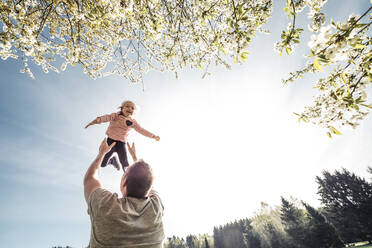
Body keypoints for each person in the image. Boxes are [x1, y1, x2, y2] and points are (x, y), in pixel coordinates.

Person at [84, 138, 165, 248]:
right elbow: (147, 182)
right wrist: (136, 161)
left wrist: (102, 153)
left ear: (124, 183)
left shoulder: (106, 206)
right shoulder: (156, 208)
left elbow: (90, 178)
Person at [85, 100, 160, 171]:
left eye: (132, 108)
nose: (130, 108)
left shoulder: (133, 122)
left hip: (121, 143)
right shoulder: (116, 115)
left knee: (125, 163)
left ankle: (129, 177)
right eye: (127, 106)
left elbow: (141, 130)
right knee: (102, 164)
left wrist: (153, 136)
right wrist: (96, 120)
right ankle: (112, 161)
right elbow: (106, 117)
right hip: (110, 141)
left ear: (134, 112)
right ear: (121, 108)